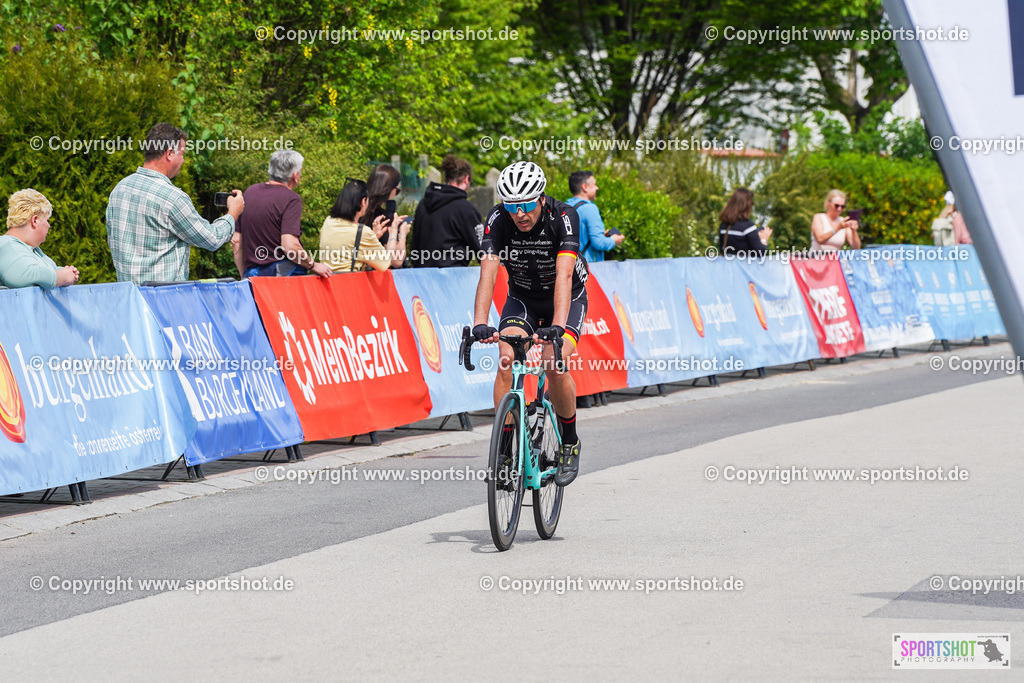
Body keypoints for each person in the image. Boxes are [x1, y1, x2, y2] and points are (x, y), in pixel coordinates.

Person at [472, 161, 588, 487]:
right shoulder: (498, 219)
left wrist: (559, 327)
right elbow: (487, 274)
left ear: (540, 198)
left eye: (525, 205)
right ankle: (506, 450)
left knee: (554, 363)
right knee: (506, 359)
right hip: (521, 298)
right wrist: (480, 323)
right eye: (511, 206)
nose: (519, 214)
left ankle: (569, 441)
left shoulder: (564, 217)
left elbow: (565, 276)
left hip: (565, 299)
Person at [106, 122, 243, 283]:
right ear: (170, 153)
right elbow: (212, 239)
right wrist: (233, 213)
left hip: (128, 300)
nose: (183, 160)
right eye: (182, 154)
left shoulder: (119, 189)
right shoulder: (172, 198)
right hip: (162, 300)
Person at [231, 149, 332, 278]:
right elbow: (290, 247)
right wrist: (313, 265)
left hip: (252, 275)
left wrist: (245, 276)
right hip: (282, 279)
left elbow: (236, 240)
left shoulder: (249, 192)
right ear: (295, 176)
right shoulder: (291, 199)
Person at [320, 178, 409, 273]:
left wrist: (372, 237)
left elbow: (349, 248)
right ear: (363, 201)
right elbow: (393, 260)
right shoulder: (362, 232)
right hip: (349, 284)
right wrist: (397, 231)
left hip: (329, 283)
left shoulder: (328, 222)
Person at [409, 154, 484, 267]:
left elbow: (415, 246)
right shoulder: (466, 209)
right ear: (466, 179)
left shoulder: (423, 204)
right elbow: (483, 251)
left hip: (423, 278)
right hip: (453, 278)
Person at [0, 189, 79, 289]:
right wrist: (60, 277)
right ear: (35, 220)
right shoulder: (6, 246)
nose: (49, 225)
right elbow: (23, 275)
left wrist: (67, 272)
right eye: (47, 220)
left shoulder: (34, 250)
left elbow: (50, 268)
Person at [564, 170, 623, 263]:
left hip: (568, 265)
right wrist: (614, 240)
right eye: (594, 184)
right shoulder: (589, 208)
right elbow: (599, 243)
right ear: (585, 187)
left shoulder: (565, 206)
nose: (597, 188)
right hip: (588, 269)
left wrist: (601, 235)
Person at [718, 187, 771, 256]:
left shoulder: (723, 225)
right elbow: (760, 252)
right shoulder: (747, 226)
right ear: (746, 206)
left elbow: (722, 248)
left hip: (728, 265)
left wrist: (754, 236)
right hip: (743, 265)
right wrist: (763, 239)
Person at [366, 163, 408, 248]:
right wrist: (400, 232)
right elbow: (395, 259)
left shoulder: (358, 207)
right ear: (388, 189)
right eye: (397, 190)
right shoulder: (380, 218)